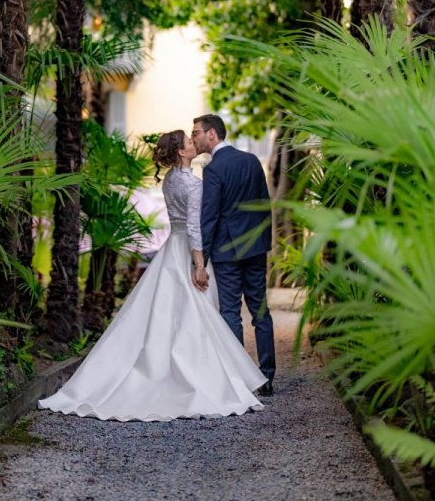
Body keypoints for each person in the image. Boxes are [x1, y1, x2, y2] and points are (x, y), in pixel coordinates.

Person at [38, 129, 266, 421]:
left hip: (172, 246)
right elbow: (195, 228)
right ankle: (197, 377)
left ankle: (173, 369)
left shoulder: (170, 179)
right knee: (195, 314)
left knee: (169, 313)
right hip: (187, 250)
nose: (193, 143)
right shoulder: (194, 186)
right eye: (188, 142)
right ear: (182, 153)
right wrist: (198, 264)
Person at [192, 114, 276, 396]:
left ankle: (240, 379)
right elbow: (264, 204)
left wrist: (201, 259)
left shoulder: (214, 170)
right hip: (255, 248)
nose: (194, 138)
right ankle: (266, 377)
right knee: (260, 310)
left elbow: (210, 216)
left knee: (230, 312)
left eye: (197, 133)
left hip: (227, 251)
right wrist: (263, 242)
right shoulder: (252, 161)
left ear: (212, 134)